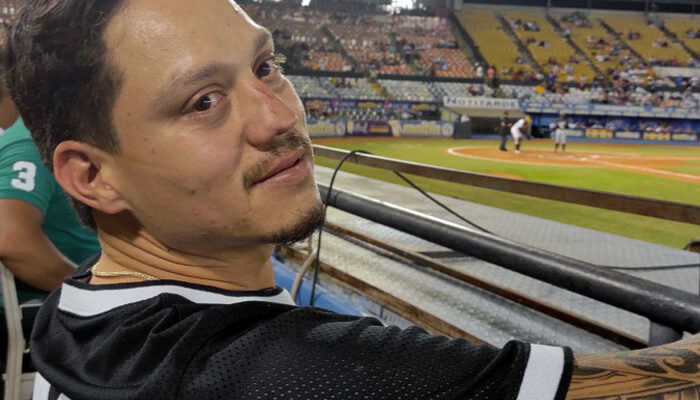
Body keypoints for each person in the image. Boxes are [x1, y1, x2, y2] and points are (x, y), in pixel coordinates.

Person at [5, 1, 700, 399]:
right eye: (204, 102)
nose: (281, 115)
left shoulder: (79, 309)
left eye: (267, 67)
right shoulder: (304, 373)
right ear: (91, 177)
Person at [0, 70, 100, 297]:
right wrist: (92, 290)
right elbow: (12, 241)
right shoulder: (28, 143)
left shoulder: (53, 134)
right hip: (62, 307)